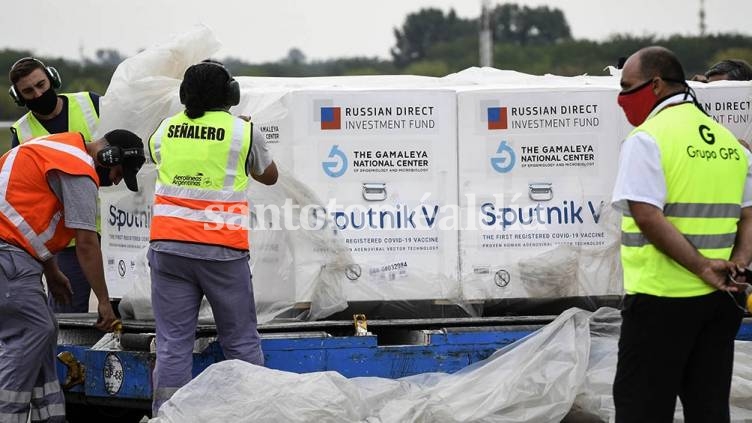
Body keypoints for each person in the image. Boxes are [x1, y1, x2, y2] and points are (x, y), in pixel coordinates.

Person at [612, 45, 752, 422]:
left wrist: (703, 266)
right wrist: (737, 264)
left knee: (641, 410)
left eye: (627, 86)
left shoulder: (647, 139)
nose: (621, 97)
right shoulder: (730, 144)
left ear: (655, 85)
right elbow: (750, 216)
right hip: (721, 302)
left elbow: (646, 215)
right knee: (708, 409)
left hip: (661, 300)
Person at [147, 60, 278, 415]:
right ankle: (253, 414)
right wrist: (247, 132)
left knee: (173, 343)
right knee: (240, 340)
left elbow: (158, 158)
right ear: (230, 94)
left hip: (168, 248)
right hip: (221, 249)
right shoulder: (241, 132)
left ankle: (166, 415)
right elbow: (269, 176)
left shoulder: (165, 129)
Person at [0, 129, 145, 422]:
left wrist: (51, 271)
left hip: (17, 254)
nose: (115, 180)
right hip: (8, 254)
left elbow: (28, 214)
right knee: (33, 330)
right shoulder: (78, 171)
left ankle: (51, 417)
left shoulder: (59, 148)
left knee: (45, 330)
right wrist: (104, 303)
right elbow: (87, 244)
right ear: (109, 155)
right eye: (119, 171)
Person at [8, 56, 103, 313]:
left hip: (114, 227)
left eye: (41, 84)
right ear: (19, 97)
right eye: (29, 91)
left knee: (122, 309)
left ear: (52, 79)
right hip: (67, 238)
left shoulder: (91, 104)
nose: (38, 93)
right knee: (68, 315)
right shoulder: (22, 131)